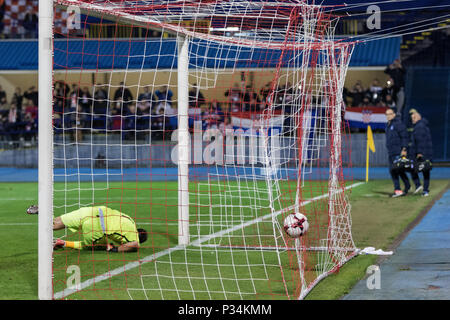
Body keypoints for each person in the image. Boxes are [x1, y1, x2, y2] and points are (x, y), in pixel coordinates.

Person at [27, 205, 148, 252]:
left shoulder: (130, 219)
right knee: (101, 247)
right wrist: (116, 249)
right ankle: (63, 243)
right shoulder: (134, 236)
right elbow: (135, 244)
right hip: (98, 227)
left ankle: (44, 210)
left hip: (92, 211)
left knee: (52, 224)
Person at [385, 107, 411, 197]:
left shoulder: (398, 124)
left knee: (394, 170)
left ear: (394, 114)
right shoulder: (388, 125)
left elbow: (404, 136)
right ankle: (407, 185)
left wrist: (404, 149)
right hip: (391, 152)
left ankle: (398, 189)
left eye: (389, 114)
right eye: (386, 114)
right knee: (398, 170)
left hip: (397, 152)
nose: (388, 116)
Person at [409, 109, 433, 197]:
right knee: (423, 170)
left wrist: (419, 152)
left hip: (422, 153)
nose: (412, 119)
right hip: (425, 151)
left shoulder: (419, 126)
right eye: (412, 118)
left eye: (414, 117)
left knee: (422, 170)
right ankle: (421, 187)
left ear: (419, 117)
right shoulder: (420, 125)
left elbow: (421, 141)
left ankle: (424, 189)